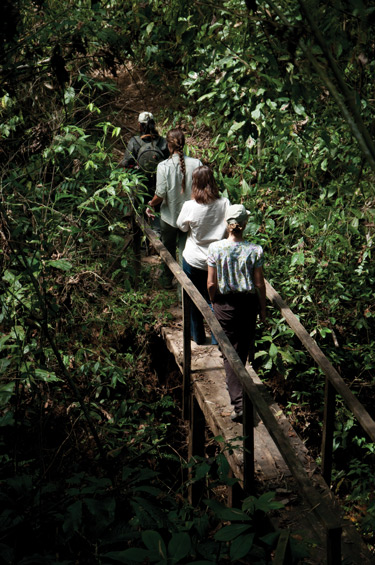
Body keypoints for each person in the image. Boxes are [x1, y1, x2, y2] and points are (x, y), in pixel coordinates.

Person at [207, 204, 266, 422]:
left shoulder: (215, 249)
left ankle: (240, 404)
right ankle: (241, 398)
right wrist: (263, 310)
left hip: (225, 304)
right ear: (245, 224)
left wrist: (214, 302)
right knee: (239, 353)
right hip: (249, 304)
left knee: (228, 353)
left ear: (227, 223)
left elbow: (211, 283)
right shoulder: (255, 250)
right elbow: (259, 284)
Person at [176, 165, 229, 345]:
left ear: (195, 184)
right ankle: (217, 340)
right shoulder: (224, 203)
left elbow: (181, 226)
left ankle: (198, 337)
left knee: (193, 299)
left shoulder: (190, 206)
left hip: (193, 259)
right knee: (214, 300)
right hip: (216, 260)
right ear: (213, 182)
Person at [146, 128, 202, 288]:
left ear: (168, 145)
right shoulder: (197, 163)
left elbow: (160, 195)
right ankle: (185, 288)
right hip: (190, 219)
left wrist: (151, 204)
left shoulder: (163, 166)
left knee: (168, 252)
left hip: (169, 218)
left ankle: (167, 281)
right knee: (186, 254)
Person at [120, 112, 169, 234]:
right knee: (156, 215)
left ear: (140, 126)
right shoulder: (163, 142)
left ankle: (133, 225)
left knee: (137, 212)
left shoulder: (134, 142)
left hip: (139, 187)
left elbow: (126, 163)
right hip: (158, 187)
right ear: (154, 125)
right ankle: (157, 238)